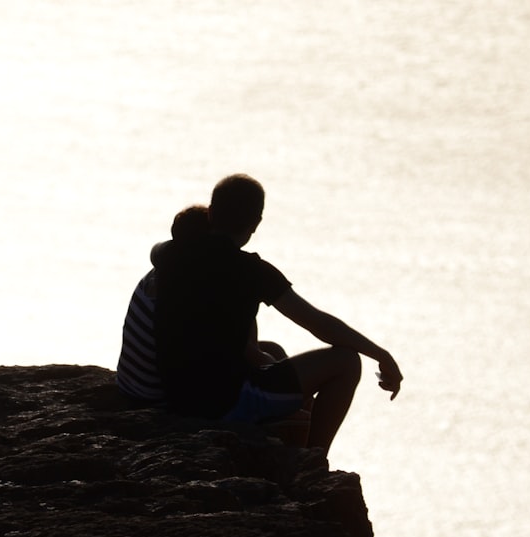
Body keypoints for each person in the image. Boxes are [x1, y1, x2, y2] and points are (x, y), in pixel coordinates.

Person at [152, 174, 402, 450]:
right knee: (347, 362)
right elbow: (318, 323)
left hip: (176, 394)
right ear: (256, 223)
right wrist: (380, 354)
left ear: (211, 213)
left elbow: (157, 252)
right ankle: (314, 461)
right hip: (223, 404)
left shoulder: (172, 253)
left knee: (273, 350)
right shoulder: (253, 273)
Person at [116, 205, 210, 403]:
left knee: (269, 351)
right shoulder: (187, 286)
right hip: (153, 392)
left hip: (129, 382)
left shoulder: (161, 270)